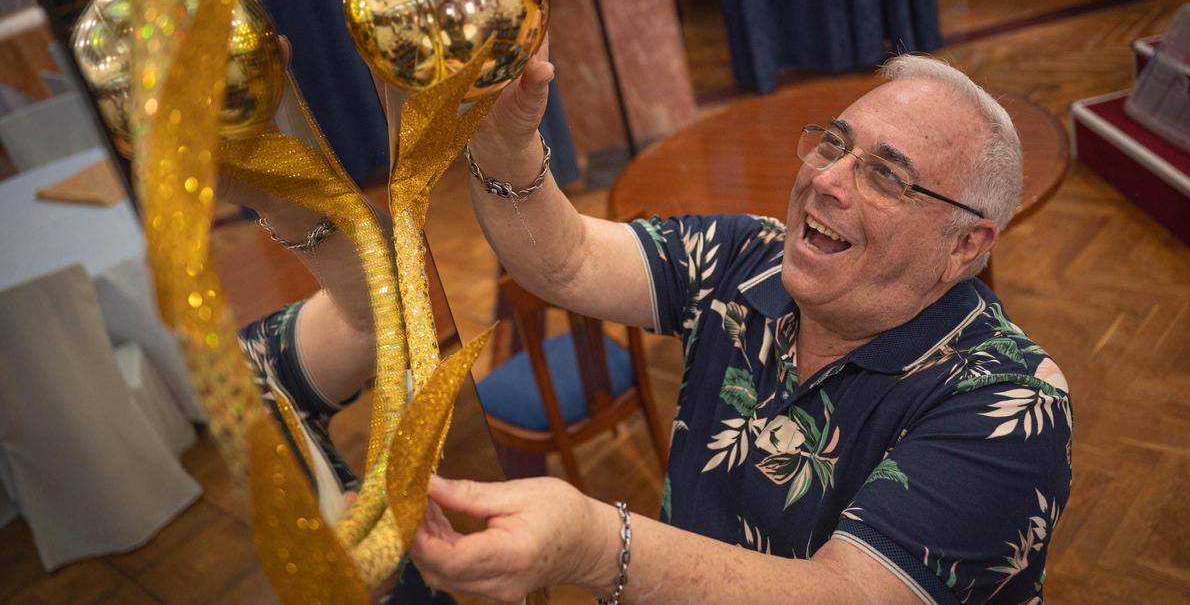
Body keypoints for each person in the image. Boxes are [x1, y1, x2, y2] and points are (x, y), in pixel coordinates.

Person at [407, 45, 1073, 604]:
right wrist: (506, 145)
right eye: (833, 145)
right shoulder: (748, 258)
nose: (827, 180)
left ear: (966, 244)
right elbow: (569, 261)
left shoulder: (1010, 400)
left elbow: (849, 592)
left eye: (887, 177)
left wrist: (595, 543)